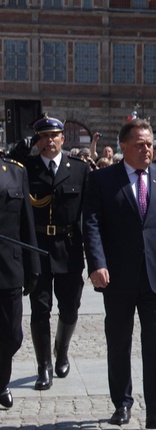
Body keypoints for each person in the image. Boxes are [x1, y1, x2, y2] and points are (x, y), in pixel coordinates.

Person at [82, 118, 156, 429]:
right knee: (119, 341)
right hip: (117, 276)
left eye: (149, 143)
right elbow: (91, 225)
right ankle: (122, 402)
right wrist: (96, 263)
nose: (147, 149)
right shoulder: (103, 181)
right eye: (140, 144)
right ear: (124, 147)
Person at [10, 114, 89, 391]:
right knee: (39, 309)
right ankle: (43, 366)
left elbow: (87, 217)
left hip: (68, 249)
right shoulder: (25, 168)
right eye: (43, 136)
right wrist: (21, 148)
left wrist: (94, 258)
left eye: (54, 136)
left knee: (70, 307)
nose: (49, 141)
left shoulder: (78, 169)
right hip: (37, 249)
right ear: (37, 141)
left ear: (63, 139)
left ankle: (62, 350)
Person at [0, 154, 41, 408]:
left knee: (12, 335)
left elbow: (27, 221)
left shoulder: (16, 172)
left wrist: (33, 267)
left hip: (9, 268)